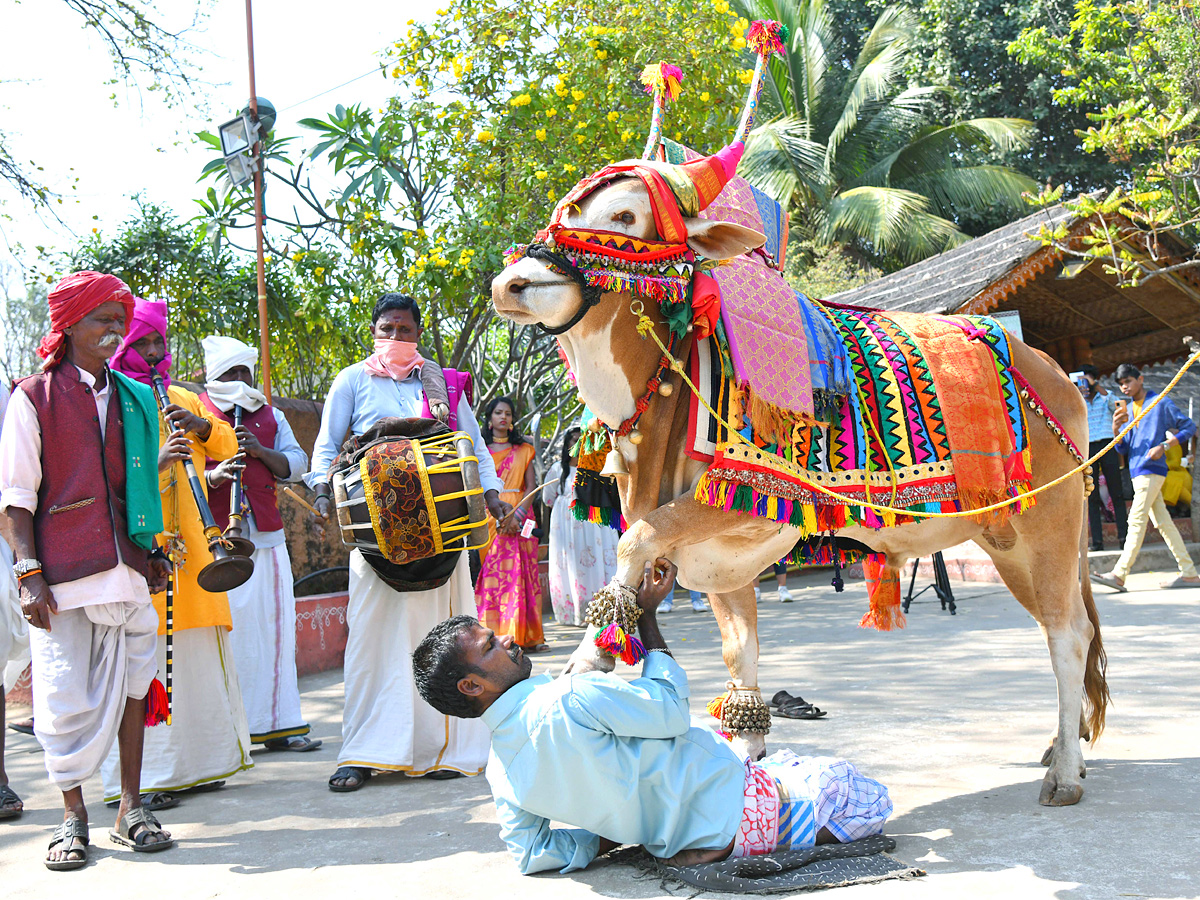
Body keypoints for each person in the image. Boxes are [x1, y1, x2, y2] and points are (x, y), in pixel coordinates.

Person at [412, 559, 891, 875]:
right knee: (860, 796)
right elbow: (668, 711)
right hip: (733, 813)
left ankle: (721, 837)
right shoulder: (567, 698)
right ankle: (747, 842)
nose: (509, 640)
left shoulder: (501, 771)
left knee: (782, 762)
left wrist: (620, 832)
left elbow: (530, 854)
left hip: (677, 833)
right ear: (471, 686)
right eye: (491, 645)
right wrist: (647, 618)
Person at [0, 271, 175, 867]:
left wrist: (152, 551)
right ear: (68, 325)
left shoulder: (135, 396)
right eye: (102, 318)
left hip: (128, 566)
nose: (115, 329)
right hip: (62, 575)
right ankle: (72, 815)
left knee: (133, 685)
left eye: (119, 318)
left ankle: (130, 806)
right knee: (62, 696)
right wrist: (28, 572)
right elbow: (15, 497)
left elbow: (142, 487)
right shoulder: (33, 397)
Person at [308, 293, 508, 791]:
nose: (396, 338)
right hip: (378, 539)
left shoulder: (442, 382)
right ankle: (363, 752)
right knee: (372, 644)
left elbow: (472, 445)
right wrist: (321, 491)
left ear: (419, 333)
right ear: (374, 332)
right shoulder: (352, 379)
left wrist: (492, 494)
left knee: (447, 637)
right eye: (387, 329)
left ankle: (449, 745)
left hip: (446, 532)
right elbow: (329, 446)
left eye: (405, 329)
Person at [103, 298, 252, 808]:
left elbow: (231, 448)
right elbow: (108, 477)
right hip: (143, 545)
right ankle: (150, 780)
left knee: (194, 654)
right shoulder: (111, 397)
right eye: (139, 342)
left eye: (156, 342)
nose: (150, 351)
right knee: (149, 659)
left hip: (195, 543)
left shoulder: (183, 395)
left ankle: (204, 766)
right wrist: (159, 463)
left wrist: (201, 427)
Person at [199, 335, 319, 752]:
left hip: (265, 539)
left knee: (273, 631)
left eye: (244, 372)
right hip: (213, 541)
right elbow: (180, 471)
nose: (239, 380)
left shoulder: (271, 415)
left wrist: (261, 452)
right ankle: (229, 733)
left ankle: (280, 723)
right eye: (230, 373)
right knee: (226, 636)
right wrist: (215, 476)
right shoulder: (199, 411)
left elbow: (297, 465)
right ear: (214, 377)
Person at [1093, 363, 1199, 591]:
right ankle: (1189, 573)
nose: (1125, 388)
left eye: (1128, 382)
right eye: (1121, 384)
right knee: (1164, 524)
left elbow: (1189, 427)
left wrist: (1164, 445)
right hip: (1137, 470)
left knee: (1136, 521)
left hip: (1151, 470)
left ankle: (1119, 574)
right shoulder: (1128, 410)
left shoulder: (1159, 402)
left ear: (1140, 379)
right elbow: (1123, 449)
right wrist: (1115, 430)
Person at [475, 396, 545, 651]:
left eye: (508, 414)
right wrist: (498, 515)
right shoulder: (479, 452)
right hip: (489, 515)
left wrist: (517, 516)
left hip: (521, 513)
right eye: (498, 413)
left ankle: (528, 636)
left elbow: (531, 486)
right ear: (490, 419)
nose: (503, 417)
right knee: (493, 577)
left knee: (524, 575)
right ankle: (494, 637)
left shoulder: (525, 450)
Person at [541, 426, 619, 626]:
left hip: (596, 527)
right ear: (567, 445)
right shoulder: (558, 469)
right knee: (573, 565)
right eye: (573, 440)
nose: (577, 444)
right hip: (567, 529)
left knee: (598, 562)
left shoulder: (598, 467)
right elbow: (548, 498)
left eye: (582, 440)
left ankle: (604, 610)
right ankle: (574, 611)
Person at [1076, 364, 1127, 551]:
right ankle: (1097, 542)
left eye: (1088, 379)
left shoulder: (1105, 397)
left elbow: (1118, 407)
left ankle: (1124, 538)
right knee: (1092, 496)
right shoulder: (1078, 400)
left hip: (1107, 444)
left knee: (1117, 493)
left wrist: (1095, 385)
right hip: (1088, 448)